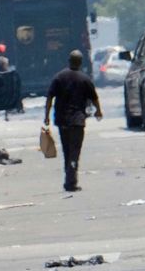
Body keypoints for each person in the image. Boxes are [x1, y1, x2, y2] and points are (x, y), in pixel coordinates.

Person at [44, 50, 103, 192]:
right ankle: (71, 181)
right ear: (80, 62)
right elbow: (94, 98)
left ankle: (69, 179)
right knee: (74, 151)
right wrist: (98, 111)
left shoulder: (59, 77)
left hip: (62, 120)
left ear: (69, 60)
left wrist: (46, 116)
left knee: (66, 150)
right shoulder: (84, 79)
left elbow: (49, 98)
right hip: (77, 121)